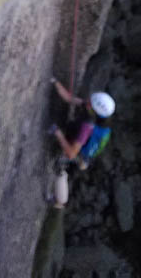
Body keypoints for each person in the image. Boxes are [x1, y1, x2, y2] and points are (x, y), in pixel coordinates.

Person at [48, 77, 115, 207]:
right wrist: (55, 82)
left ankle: (60, 202)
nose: (87, 102)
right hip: (84, 148)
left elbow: (71, 154)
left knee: (60, 167)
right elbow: (68, 98)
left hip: (81, 156)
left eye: (90, 103)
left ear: (94, 111)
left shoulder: (87, 128)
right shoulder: (97, 113)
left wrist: (58, 134)